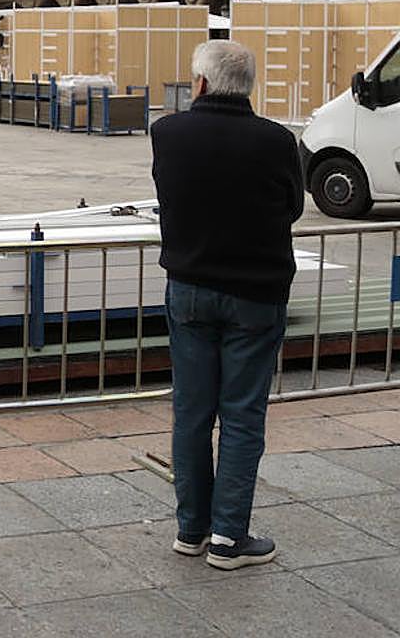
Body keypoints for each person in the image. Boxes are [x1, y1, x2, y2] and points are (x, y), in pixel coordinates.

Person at [151, 40, 304, 571]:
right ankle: (228, 538)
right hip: (256, 295)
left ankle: (191, 530)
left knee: (191, 413)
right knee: (242, 416)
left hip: (190, 289)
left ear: (199, 84)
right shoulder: (278, 140)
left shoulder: (167, 134)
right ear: (248, 86)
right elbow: (292, 206)